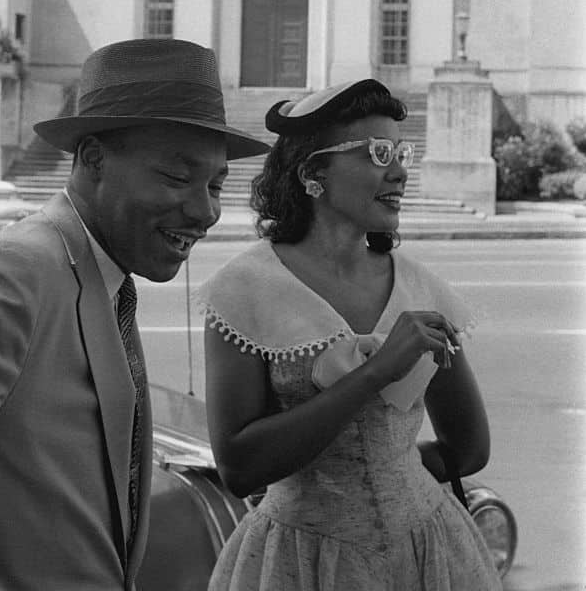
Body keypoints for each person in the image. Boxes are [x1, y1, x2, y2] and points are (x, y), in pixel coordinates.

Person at [0, 38, 269, 591]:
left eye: (217, 185)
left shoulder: (99, 278)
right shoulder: (19, 275)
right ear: (93, 159)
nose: (204, 211)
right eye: (178, 178)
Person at [199, 79, 503, 590]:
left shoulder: (419, 286)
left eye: (402, 152)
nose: (401, 171)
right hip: (299, 561)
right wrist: (376, 373)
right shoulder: (242, 291)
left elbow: (469, 450)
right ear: (312, 172)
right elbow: (239, 468)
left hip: (428, 552)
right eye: (378, 153)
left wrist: (388, 471)